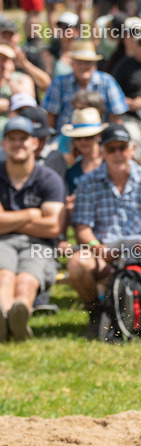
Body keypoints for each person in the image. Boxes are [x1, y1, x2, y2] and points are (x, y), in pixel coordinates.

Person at [67, 124, 141, 339]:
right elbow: (82, 227)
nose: (117, 153)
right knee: (77, 264)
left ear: (132, 149)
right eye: (111, 148)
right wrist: (97, 248)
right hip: (103, 251)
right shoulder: (88, 182)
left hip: (140, 252)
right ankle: (96, 312)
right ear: (103, 152)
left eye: (122, 148)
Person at [0, 116, 64, 341]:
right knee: (4, 276)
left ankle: (18, 318)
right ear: (3, 144)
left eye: (23, 138)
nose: (18, 143)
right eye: (12, 139)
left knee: (27, 280)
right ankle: (5, 319)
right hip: (3, 243)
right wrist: (31, 214)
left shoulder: (49, 179)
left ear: (34, 143)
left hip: (40, 245)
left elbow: (53, 227)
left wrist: (9, 219)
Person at [41, 41, 128, 133]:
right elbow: (50, 117)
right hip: (65, 137)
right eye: (79, 62)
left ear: (95, 64)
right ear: (72, 63)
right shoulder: (58, 83)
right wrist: (50, 140)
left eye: (88, 62)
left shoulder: (107, 81)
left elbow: (115, 118)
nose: (83, 66)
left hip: (99, 136)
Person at [62, 107, 106, 197]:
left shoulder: (111, 163)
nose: (83, 142)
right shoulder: (72, 172)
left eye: (88, 137)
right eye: (78, 138)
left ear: (98, 136)